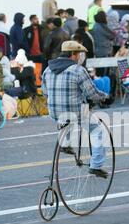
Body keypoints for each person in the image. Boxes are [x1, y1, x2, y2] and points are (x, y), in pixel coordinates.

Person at [42, 41, 108, 178]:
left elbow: (45, 93)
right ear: (73, 54)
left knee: (65, 116)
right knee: (97, 130)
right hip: (75, 111)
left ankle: (65, 143)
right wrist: (104, 96)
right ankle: (96, 165)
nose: (79, 57)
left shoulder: (47, 70)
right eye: (78, 54)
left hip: (54, 112)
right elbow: (92, 93)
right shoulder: (78, 70)